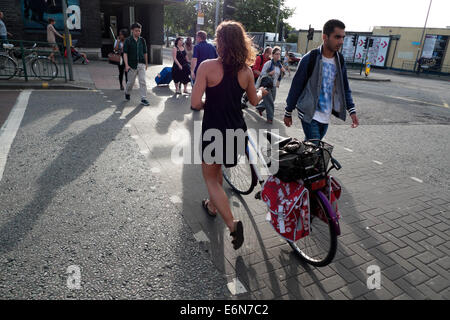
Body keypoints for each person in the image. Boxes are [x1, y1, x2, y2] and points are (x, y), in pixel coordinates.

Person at [191, 21, 268, 250]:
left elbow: (195, 103)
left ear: (220, 42)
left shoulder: (207, 66)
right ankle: (213, 206)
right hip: (237, 131)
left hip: (214, 129)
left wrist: (211, 104)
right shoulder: (246, 72)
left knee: (210, 178)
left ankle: (233, 224)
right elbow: (254, 102)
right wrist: (264, 91)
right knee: (218, 171)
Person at [284, 19, 359, 141]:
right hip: (309, 114)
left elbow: (345, 87)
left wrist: (352, 110)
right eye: (337, 37)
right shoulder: (309, 58)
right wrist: (288, 111)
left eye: (343, 37)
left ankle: (298, 158)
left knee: (310, 151)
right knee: (316, 149)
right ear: (325, 37)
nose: (341, 41)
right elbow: (296, 87)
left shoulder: (340, 60)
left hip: (326, 116)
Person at [255, 46, 285, 124]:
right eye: (276, 54)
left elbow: (280, 74)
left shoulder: (279, 65)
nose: (278, 56)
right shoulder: (268, 64)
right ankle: (270, 118)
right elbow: (262, 74)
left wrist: (281, 75)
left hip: (274, 85)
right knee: (270, 102)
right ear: (273, 55)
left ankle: (259, 107)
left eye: (279, 54)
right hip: (267, 85)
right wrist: (269, 73)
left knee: (272, 100)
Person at [123, 22, 150, 106]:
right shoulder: (128, 40)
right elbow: (125, 53)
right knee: (130, 82)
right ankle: (127, 92)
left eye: (139, 31)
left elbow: (145, 52)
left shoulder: (142, 40)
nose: (138, 32)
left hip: (141, 64)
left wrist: (146, 63)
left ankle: (143, 98)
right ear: (132, 31)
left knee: (142, 81)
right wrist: (126, 65)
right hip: (132, 64)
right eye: (136, 31)